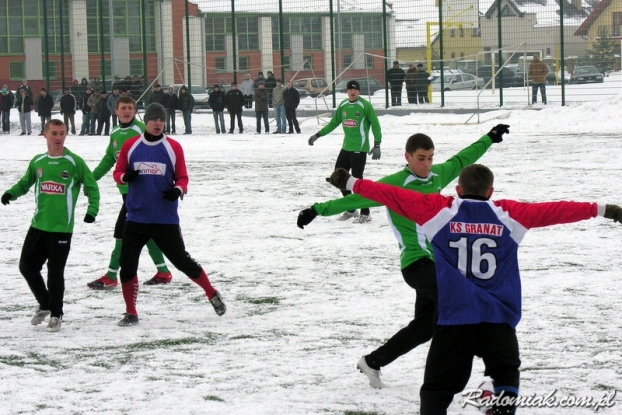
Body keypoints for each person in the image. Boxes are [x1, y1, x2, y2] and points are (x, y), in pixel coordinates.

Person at [325, 164, 622, 415]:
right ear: (490, 192)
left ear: (457, 189)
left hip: (455, 320)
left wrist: (351, 181)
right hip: (499, 321)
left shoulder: (439, 210)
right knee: (505, 385)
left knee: (435, 395)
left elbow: (393, 195)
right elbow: (556, 210)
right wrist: (603, 209)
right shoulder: (510, 214)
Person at [298, 126, 507, 389]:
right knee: (459, 300)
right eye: (421, 158)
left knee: (425, 327)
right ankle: (485, 361)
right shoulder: (396, 183)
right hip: (416, 263)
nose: (427, 164)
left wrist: (489, 138)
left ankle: (373, 362)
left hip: (439, 263)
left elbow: (463, 159)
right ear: (407, 156)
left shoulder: (437, 176)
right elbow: (360, 196)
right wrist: (317, 209)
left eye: (430, 158)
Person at [112, 103, 226, 326]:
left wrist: (178, 190)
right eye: (154, 119)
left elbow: (183, 177)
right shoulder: (131, 146)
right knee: (127, 267)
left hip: (164, 219)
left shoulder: (173, 147)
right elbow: (117, 172)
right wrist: (126, 177)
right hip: (136, 217)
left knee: (182, 261)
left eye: (161, 120)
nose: (157, 123)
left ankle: (211, 293)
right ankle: (131, 312)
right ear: (146, 121)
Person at [1, 119, 99, 332]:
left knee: (55, 272)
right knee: (27, 267)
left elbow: (92, 187)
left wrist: (92, 211)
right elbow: (25, 183)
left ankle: (56, 314)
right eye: (54, 133)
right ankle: (44, 304)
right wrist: (11, 193)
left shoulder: (74, 162)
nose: (58, 137)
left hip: (61, 229)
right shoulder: (38, 162)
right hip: (38, 225)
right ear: (45, 135)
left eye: (62, 133)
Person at [87, 96, 173, 290]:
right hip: (128, 194)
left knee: (121, 233)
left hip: (140, 194)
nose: (127, 111)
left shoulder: (140, 130)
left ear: (135, 111)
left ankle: (110, 276)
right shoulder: (116, 132)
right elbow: (109, 159)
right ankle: (163, 272)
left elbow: (160, 152)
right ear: (115, 111)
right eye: (123, 108)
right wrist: (90, 179)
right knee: (147, 233)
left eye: (130, 108)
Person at [307, 80, 381, 223]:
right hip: (346, 148)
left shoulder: (365, 106)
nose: (352, 92)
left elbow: (375, 124)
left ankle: (365, 213)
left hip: (359, 149)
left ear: (358, 91)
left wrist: (377, 144)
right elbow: (334, 123)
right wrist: (318, 135)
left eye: (355, 90)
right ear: (347, 91)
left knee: (357, 181)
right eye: (350, 90)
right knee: (338, 178)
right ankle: (351, 209)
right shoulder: (343, 105)